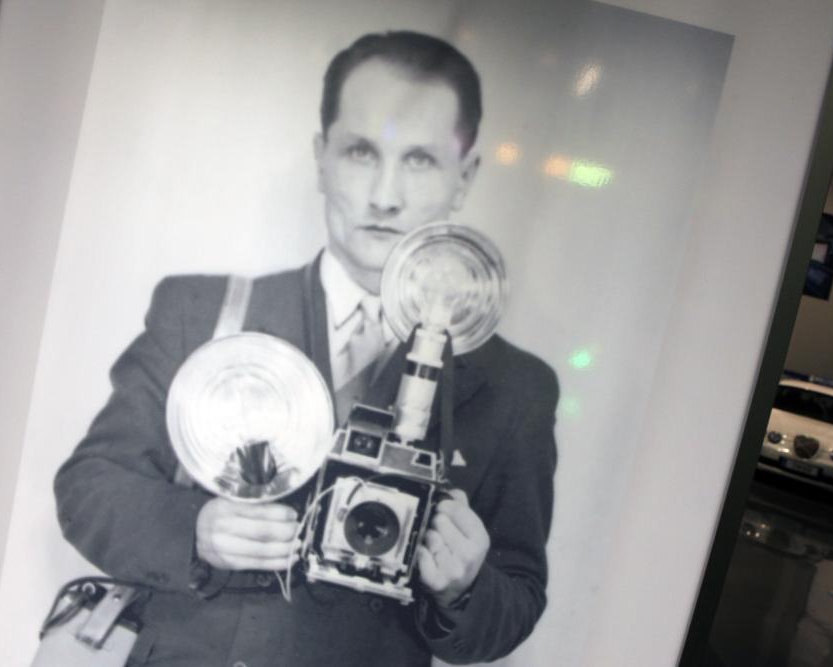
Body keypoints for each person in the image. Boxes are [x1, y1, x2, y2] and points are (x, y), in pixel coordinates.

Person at [55, 30, 558, 667]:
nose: (384, 195)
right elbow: (89, 486)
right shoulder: (201, 312)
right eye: (359, 151)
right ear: (321, 158)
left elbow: (516, 598)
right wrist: (196, 530)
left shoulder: (514, 386)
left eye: (420, 160)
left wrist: (465, 585)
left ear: (465, 177)